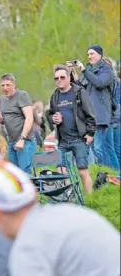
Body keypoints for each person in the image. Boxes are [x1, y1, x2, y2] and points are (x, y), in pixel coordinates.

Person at [47, 65, 96, 193]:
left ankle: (90, 200)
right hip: (63, 141)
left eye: (62, 77)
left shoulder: (79, 92)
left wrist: (90, 133)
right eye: (56, 78)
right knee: (61, 171)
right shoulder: (55, 96)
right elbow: (50, 114)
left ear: (69, 77)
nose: (59, 80)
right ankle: (71, 198)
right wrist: (54, 119)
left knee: (82, 171)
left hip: (79, 138)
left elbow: (90, 114)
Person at [75, 46, 119, 171]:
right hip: (89, 116)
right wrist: (73, 74)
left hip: (100, 115)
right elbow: (81, 88)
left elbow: (99, 82)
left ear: (100, 55)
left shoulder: (107, 70)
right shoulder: (89, 70)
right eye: (88, 54)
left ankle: (106, 174)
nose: (89, 57)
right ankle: (101, 174)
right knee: (94, 148)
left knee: (100, 148)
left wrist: (84, 70)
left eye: (92, 54)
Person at [0, 74, 36, 173]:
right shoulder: (1, 100)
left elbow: (29, 118)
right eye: (2, 85)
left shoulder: (22, 95)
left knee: (25, 174)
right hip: (11, 142)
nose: (5, 88)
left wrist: (22, 139)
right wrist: (0, 120)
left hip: (25, 142)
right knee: (14, 175)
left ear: (14, 85)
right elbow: (7, 119)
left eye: (8, 85)